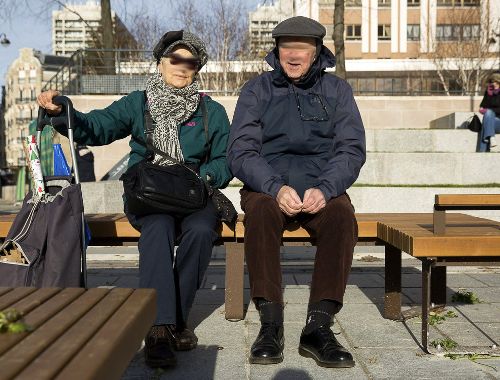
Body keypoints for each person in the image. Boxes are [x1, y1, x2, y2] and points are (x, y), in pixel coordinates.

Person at [37, 30, 233, 369]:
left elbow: (226, 158)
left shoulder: (210, 112)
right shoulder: (138, 102)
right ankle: (158, 329)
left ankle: (176, 321)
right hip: (150, 194)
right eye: (176, 58)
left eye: (190, 61)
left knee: (202, 232)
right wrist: (65, 108)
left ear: (197, 69)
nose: (182, 66)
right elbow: (97, 126)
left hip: (191, 193)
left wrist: (204, 178)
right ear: (160, 63)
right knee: (156, 232)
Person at [227, 16, 366, 368]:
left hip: (322, 185)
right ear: (276, 50)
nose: (293, 55)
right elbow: (241, 151)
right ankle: (270, 324)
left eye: (301, 48)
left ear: (317, 51)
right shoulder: (256, 90)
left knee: (341, 216)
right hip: (268, 185)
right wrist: (274, 187)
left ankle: (318, 327)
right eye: (286, 46)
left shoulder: (337, 91)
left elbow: (350, 149)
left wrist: (327, 187)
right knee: (259, 212)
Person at [478, 72, 500, 152]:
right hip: (490, 120)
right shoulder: (488, 92)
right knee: (487, 119)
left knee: (487, 118)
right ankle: (491, 137)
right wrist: (482, 109)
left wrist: (489, 111)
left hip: (499, 121)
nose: (492, 84)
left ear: (498, 82)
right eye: (491, 82)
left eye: (493, 82)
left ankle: (482, 150)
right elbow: (483, 105)